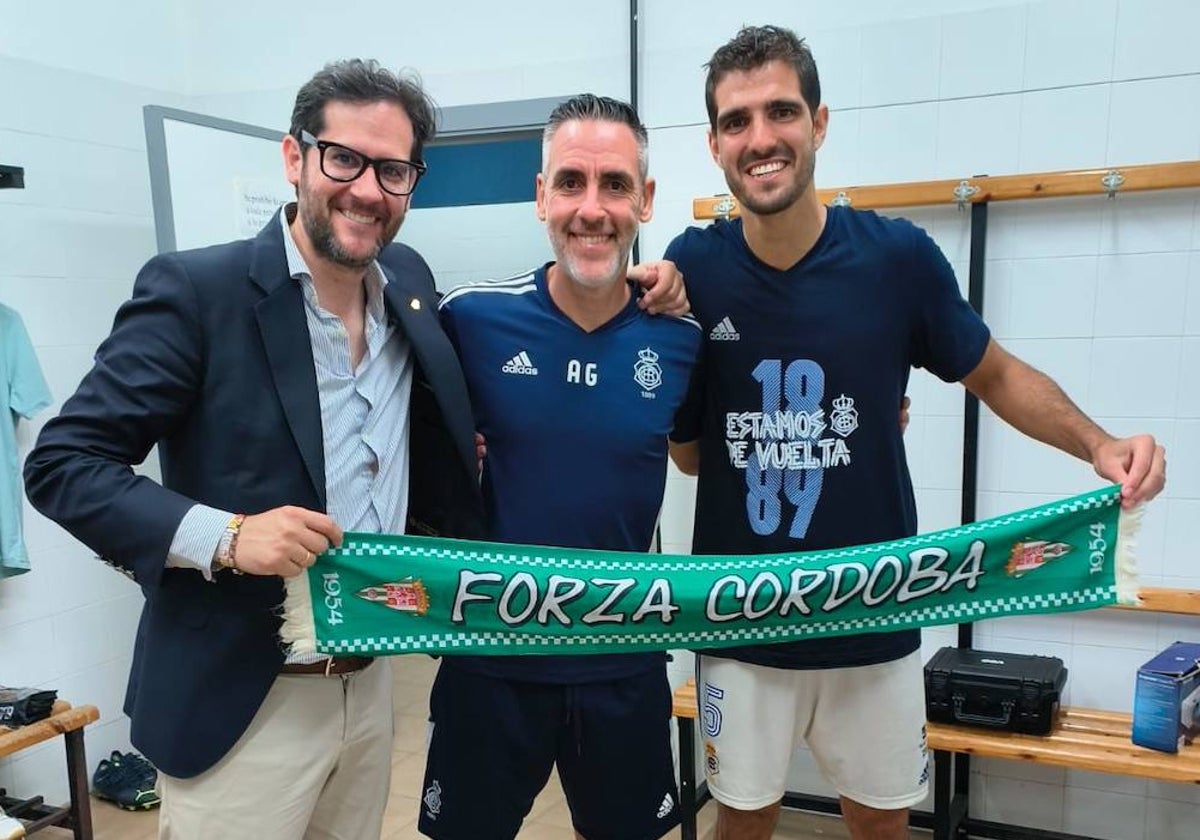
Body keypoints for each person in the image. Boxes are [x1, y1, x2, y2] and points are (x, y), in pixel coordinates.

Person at [665, 25, 1167, 840]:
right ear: (715, 143)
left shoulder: (896, 258)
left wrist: (1098, 445)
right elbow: (686, 455)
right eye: (736, 121)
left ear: (819, 123)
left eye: (781, 112)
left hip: (875, 617)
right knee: (740, 823)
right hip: (741, 626)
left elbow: (995, 373)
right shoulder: (694, 266)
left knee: (882, 824)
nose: (760, 138)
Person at [22, 59, 487, 839]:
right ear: (294, 157)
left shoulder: (408, 278)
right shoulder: (197, 293)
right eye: (345, 159)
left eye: (395, 170)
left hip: (371, 681)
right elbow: (64, 465)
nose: (369, 190)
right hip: (244, 698)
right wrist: (231, 537)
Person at [418, 94, 698, 840]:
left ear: (645, 199)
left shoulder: (682, 338)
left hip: (623, 663)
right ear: (540, 195)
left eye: (614, 185)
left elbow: (714, 443)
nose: (592, 208)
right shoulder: (469, 319)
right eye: (570, 182)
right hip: (488, 662)